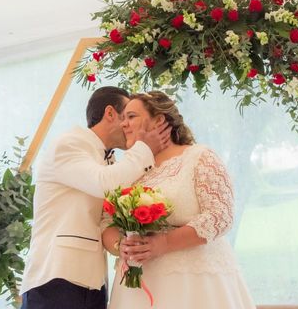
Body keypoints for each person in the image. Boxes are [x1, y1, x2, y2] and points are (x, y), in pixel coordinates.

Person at [102, 91, 256, 309]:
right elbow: (106, 221)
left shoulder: (198, 157)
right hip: (137, 289)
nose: (123, 124)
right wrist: (121, 246)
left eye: (131, 117)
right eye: (122, 118)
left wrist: (163, 243)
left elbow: (220, 216)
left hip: (194, 284)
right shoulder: (125, 169)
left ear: (159, 120)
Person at [20, 86, 171, 309]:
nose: (130, 127)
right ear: (110, 114)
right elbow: (104, 184)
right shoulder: (69, 144)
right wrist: (144, 147)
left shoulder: (109, 160)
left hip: (92, 284)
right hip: (57, 278)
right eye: (127, 117)